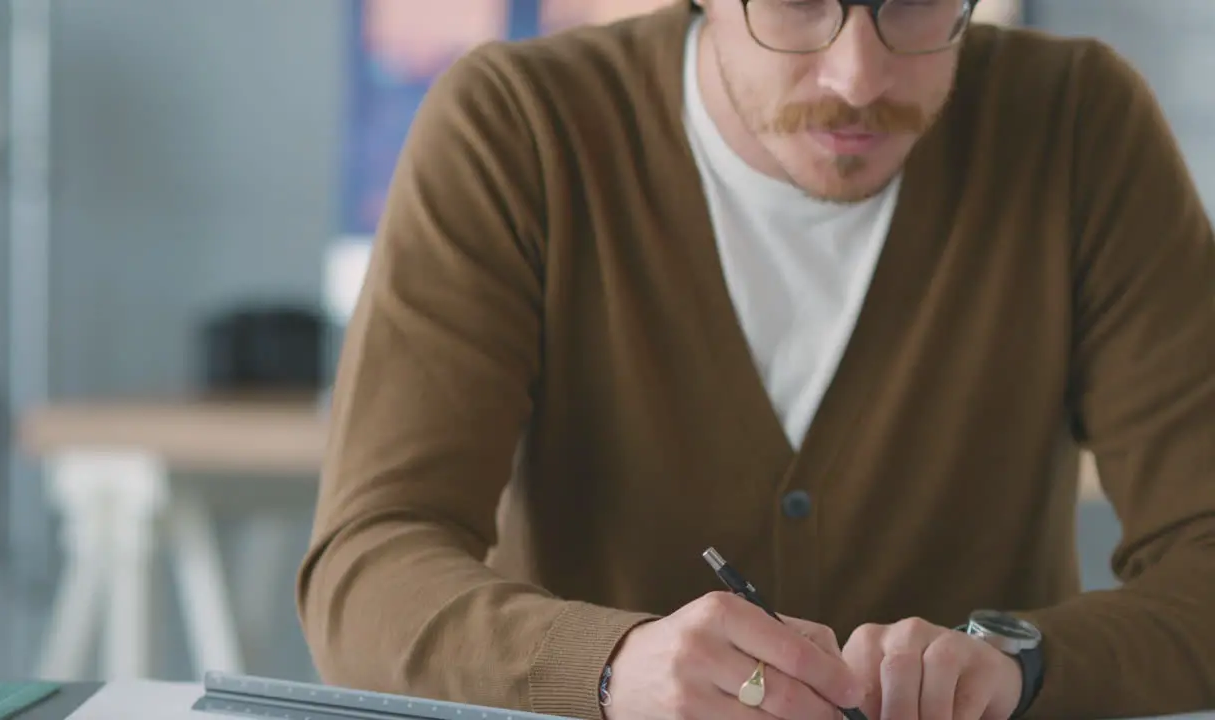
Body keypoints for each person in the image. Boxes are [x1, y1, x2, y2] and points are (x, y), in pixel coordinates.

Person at [296, 1, 1215, 718]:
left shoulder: (1080, 126)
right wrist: (612, 669)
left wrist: (1024, 666)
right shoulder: (519, 128)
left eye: (920, 4)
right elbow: (368, 567)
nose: (858, 75)